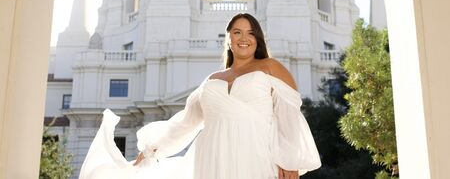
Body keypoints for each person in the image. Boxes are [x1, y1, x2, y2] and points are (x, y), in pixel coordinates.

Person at [79, 13, 321, 179]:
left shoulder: (271, 67)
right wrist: (152, 149)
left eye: (250, 33)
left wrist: (291, 160)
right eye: (237, 32)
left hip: (257, 155)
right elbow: (186, 123)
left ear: (257, 38)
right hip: (210, 158)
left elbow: (288, 118)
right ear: (228, 38)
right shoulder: (212, 80)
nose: (244, 38)